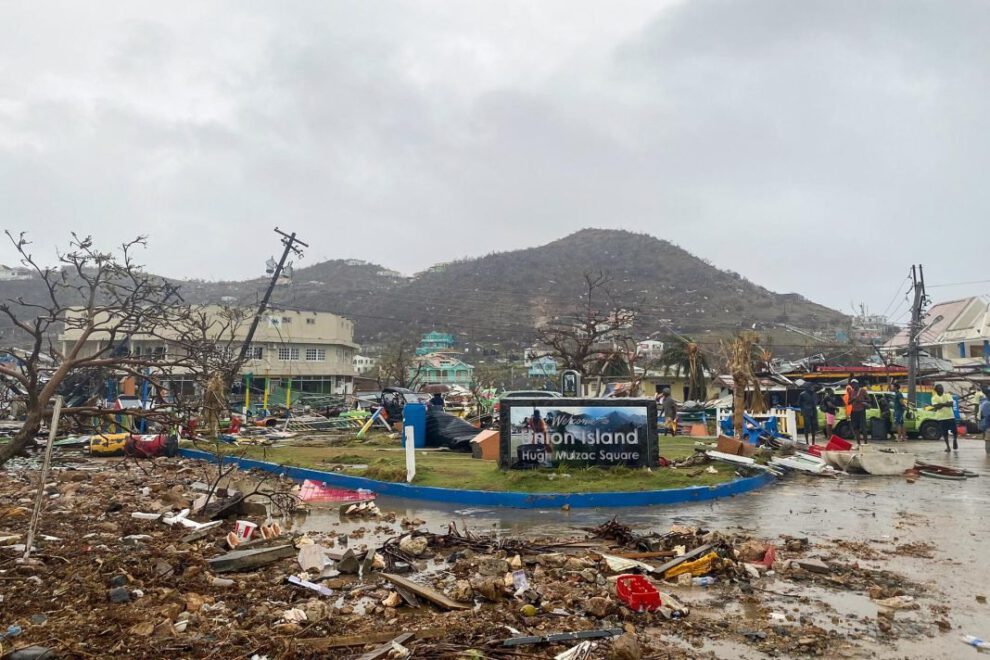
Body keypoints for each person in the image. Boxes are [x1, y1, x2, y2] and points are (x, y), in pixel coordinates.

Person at [930, 384, 957, 452]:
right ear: (936, 390)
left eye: (942, 388)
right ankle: (948, 446)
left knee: (955, 431)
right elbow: (936, 407)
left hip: (950, 416)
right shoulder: (934, 398)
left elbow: (951, 404)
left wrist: (941, 404)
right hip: (941, 417)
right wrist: (945, 404)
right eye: (940, 388)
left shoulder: (947, 395)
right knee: (944, 433)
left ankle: (955, 440)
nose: (942, 389)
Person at [850, 380, 869, 446]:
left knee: (863, 428)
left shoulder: (862, 391)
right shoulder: (851, 391)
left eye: (854, 384)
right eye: (852, 384)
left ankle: (865, 444)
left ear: (857, 384)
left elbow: (869, 399)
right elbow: (848, 402)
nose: (853, 386)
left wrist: (861, 400)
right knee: (856, 428)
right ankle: (858, 444)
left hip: (861, 411)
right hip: (854, 411)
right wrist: (853, 399)